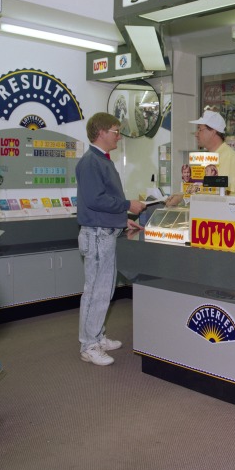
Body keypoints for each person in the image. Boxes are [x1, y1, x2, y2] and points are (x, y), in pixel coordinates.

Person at [76, 112, 146, 366]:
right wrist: (128, 205)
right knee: (95, 291)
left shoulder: (102, 160)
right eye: (116, 131)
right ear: (101, 132)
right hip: (96, 236)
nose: (119, 136)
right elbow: (95, 200)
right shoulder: (90, 162)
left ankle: (96, 336)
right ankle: (89, 345)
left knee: (104, 290)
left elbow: (102, 201)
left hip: (105, 232)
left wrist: (121, 220)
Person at [166, 109, 235, 204]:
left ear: (213, 131)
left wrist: (184, 197)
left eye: (200, 129)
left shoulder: (228, 156)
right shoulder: (207, 158)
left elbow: (222, 193)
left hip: (221, 212)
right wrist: (181, 197)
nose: (196, 134)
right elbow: (202, 189)